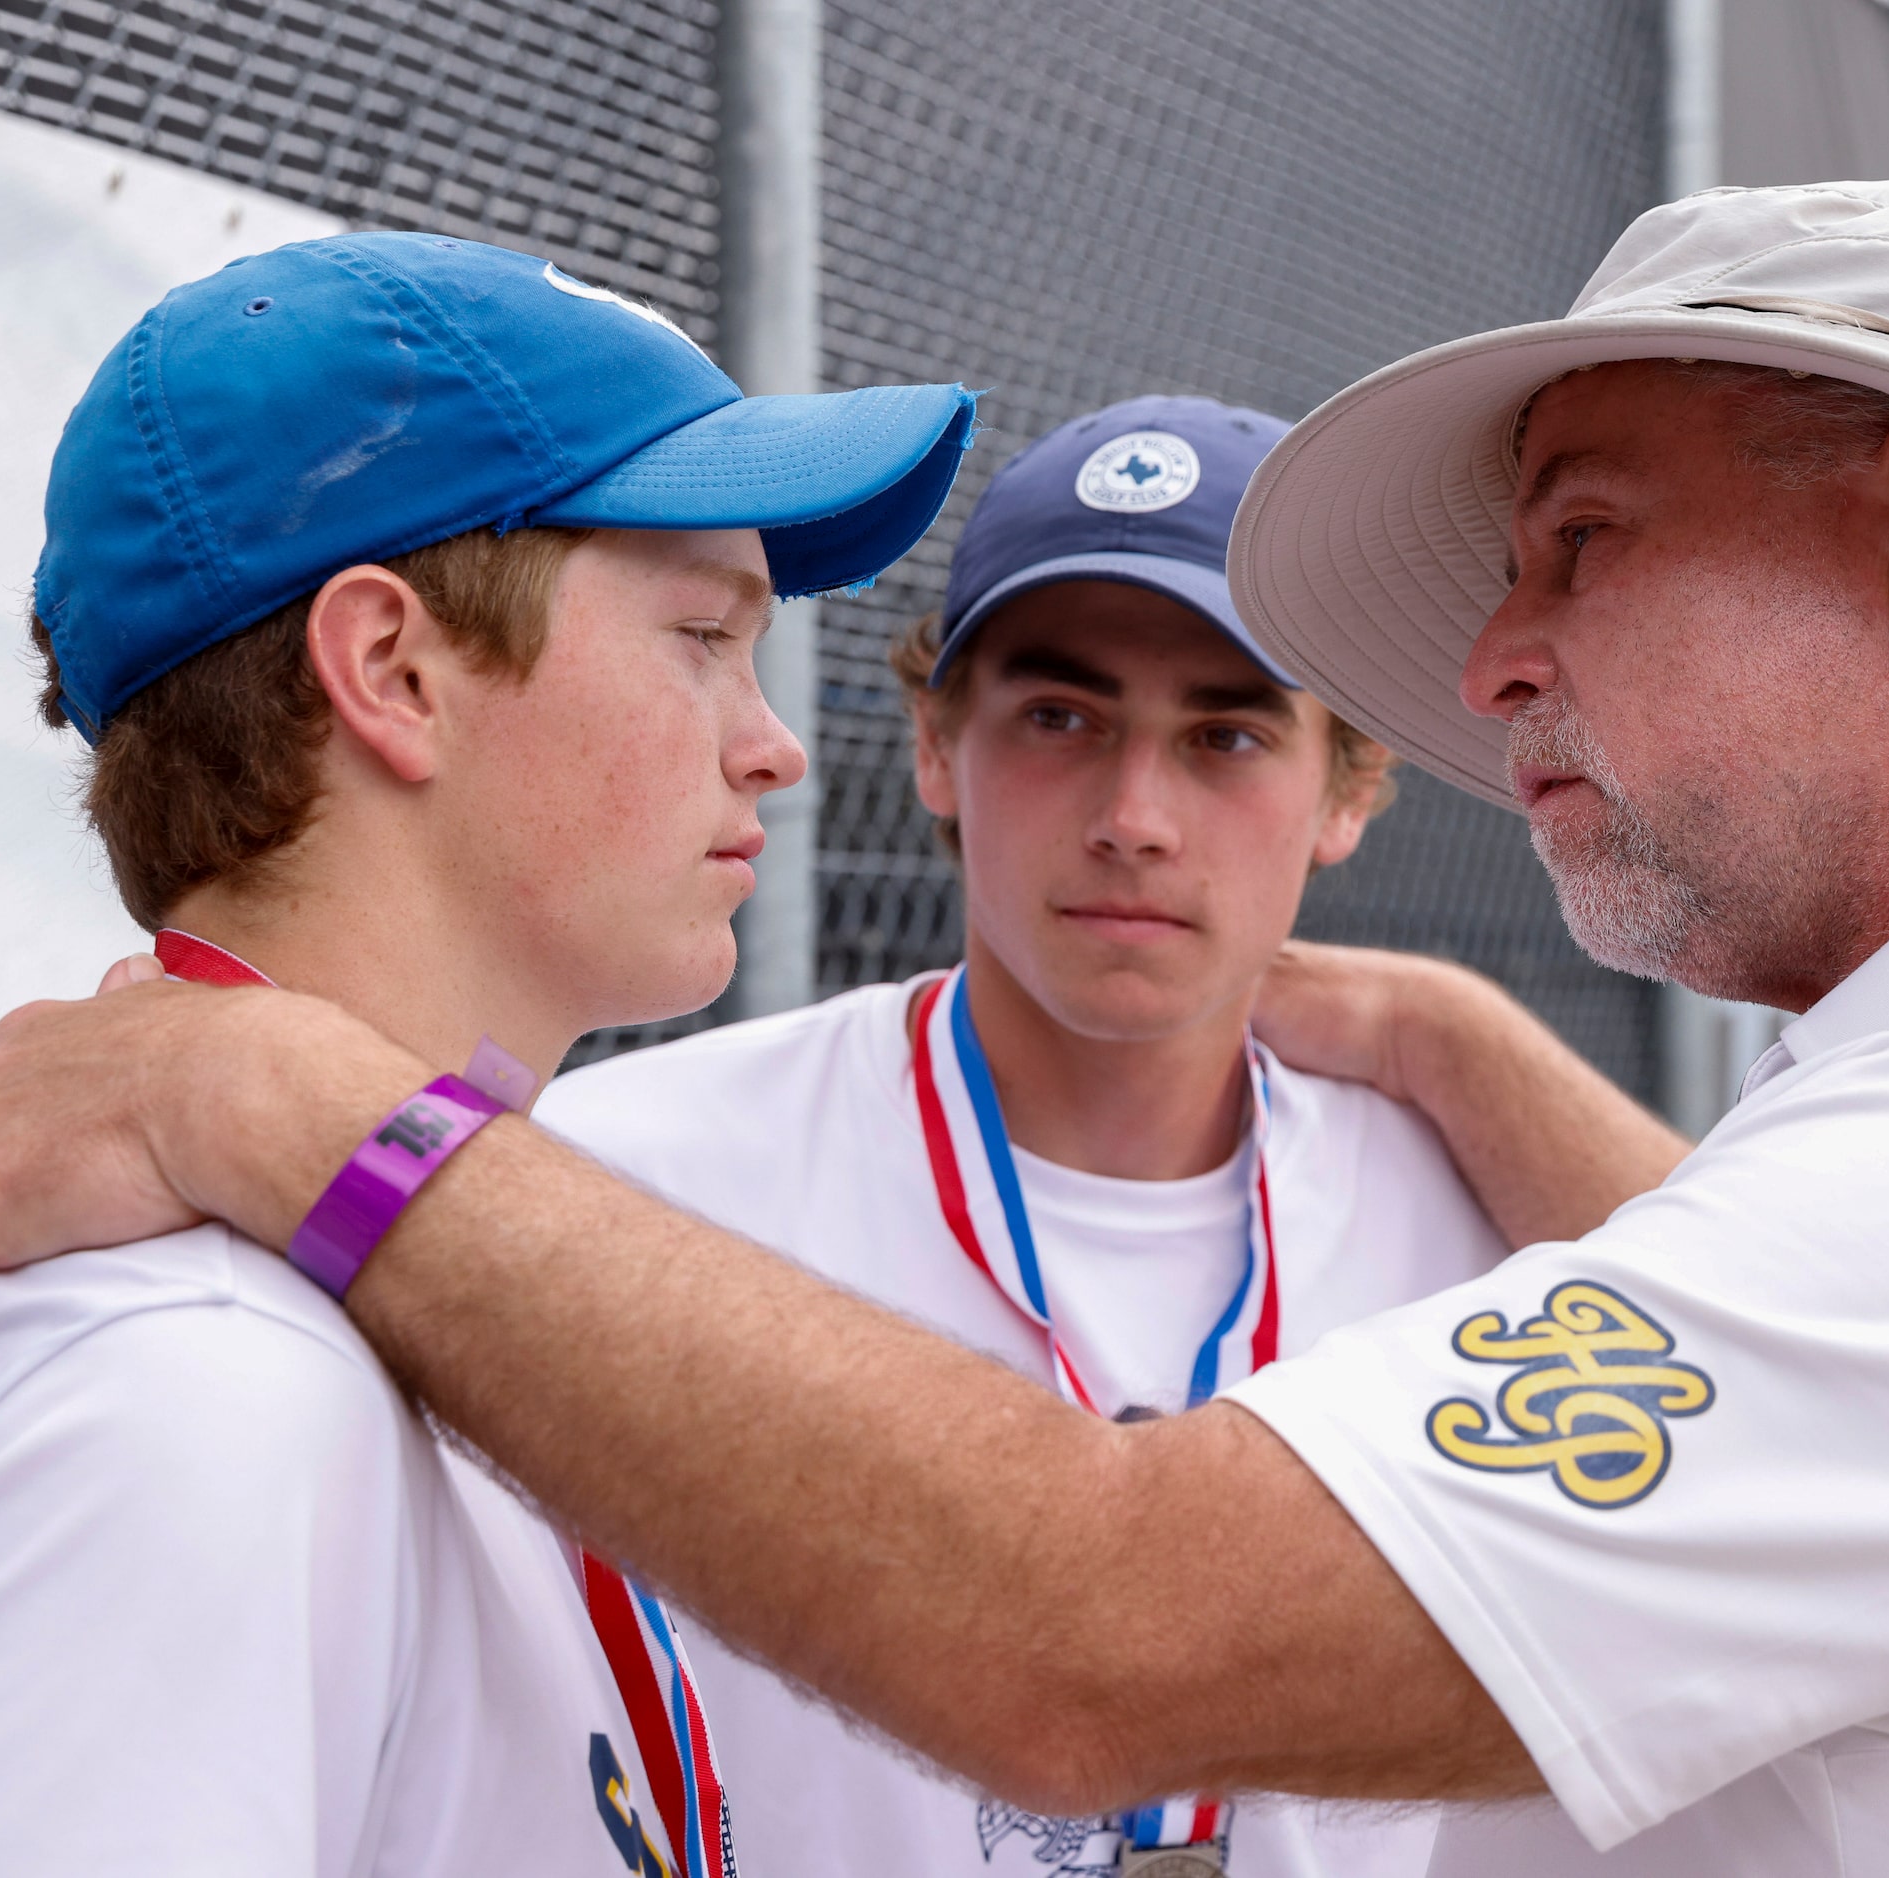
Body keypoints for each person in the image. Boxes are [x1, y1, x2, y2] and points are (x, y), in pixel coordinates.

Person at [0, 180, 1889, 1874]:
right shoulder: (199, 1368)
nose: (1501, 659)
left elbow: (1094, 1619)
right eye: (709, 633)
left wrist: (306, 1098)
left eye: (1573, 540)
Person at [0, 229, 976, 1876]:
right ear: (392, 669)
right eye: (705, 638)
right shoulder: (190, 1389)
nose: (774, 743)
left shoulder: (340, 1284)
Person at [536, 394, 1608, 1878]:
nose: (1135, 815)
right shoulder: (615, 1175)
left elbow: (1790, 1371)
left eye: (1227, 734)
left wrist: (1454, 1033)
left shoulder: (1488, 1215)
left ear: (1348, 791)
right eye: (1060, 716)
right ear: (933, 747)